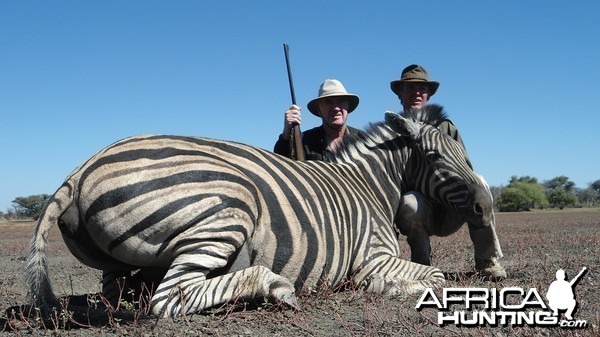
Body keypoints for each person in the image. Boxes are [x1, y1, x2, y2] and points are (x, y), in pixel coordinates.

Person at [390, 64, 507, 280]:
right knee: (411, 201)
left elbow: (466, 170)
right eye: (410, 88)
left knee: (479, 184)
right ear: (400, 94)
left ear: (428, 94)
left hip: (450, 208)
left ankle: (487, 260)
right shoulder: (393, 132)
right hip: (417, 210)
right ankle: (421, 262)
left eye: (421, 88)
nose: (416, 92)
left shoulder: (446, 128)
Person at [274, 79, 362, 160]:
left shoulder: (363, 140)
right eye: (328, 102)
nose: (336, 108)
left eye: (341, 101)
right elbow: (280, 160)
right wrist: (286, 132)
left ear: (348, 106)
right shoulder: (304, 140)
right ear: (318, 110)